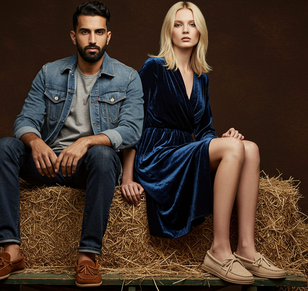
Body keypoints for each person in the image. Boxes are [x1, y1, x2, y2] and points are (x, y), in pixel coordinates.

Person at [0, 1, 144, 287]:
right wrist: (35, 142)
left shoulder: (128, 77)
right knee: (4, 146)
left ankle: (87, 257)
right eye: (85, 32)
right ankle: (11, 250)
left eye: (98, 32)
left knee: (105, 155)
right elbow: (25, 120)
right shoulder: (50, 73)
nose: (92, 39)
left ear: (108, 36)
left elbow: (131, 131)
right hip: (49, 164)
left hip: (91, 168)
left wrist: (87, 142)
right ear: (73, 36)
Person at [121, 1, 285, 285]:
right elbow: (133, 122)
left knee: (249, 148)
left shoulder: (201, 78)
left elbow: (204, 129)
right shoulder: (154, 68)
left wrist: (226, 138)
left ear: (200, 32)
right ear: (168, 31)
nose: (186, 30)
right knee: (234, 148)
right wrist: (127, 176)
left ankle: (246, 249)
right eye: (178, 24)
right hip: (157, 155)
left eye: (192, 24)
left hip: (185, 150)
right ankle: (219, 250)